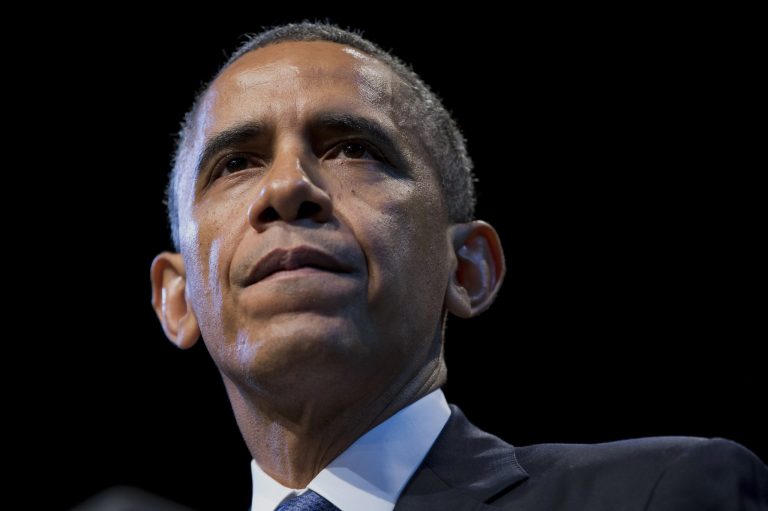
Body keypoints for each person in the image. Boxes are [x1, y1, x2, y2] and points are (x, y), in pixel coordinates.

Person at [149, 22, 768, 510]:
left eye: (353, 150)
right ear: (177, 300)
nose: (288, 186)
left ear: (467, 268)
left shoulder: (655, 493)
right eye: (235, 164)